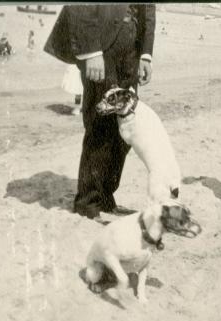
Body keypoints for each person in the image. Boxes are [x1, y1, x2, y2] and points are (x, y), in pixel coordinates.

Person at [44, 5, 156, 220]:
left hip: (132, 50)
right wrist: (91, 50)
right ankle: (88, 203)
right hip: (101, 49)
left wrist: (146, 54)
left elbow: (148, 8)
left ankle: (105, 198)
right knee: (100, 125)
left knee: (124, 130)